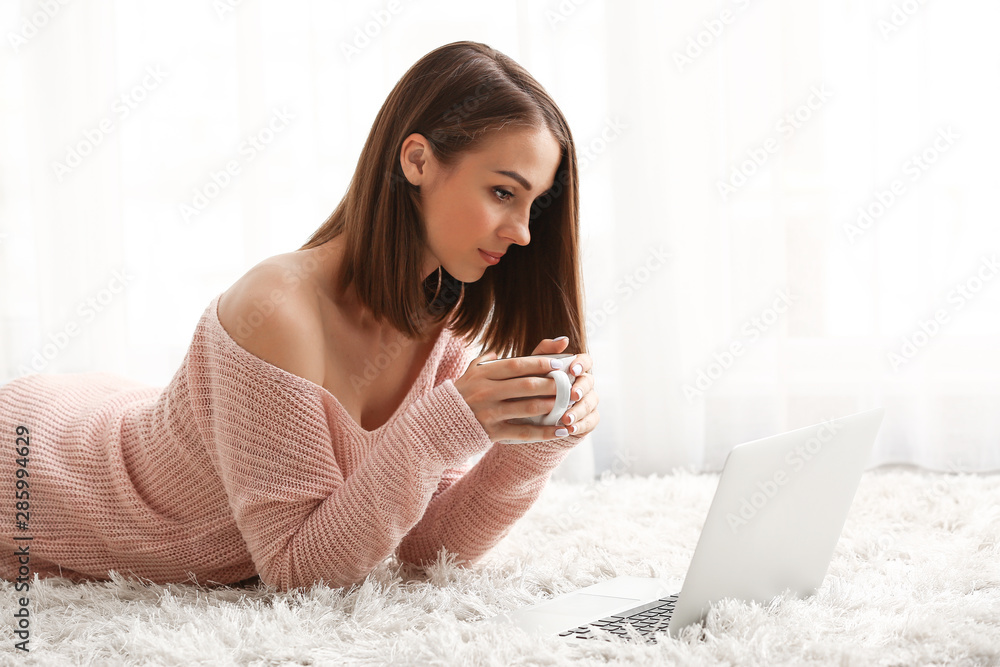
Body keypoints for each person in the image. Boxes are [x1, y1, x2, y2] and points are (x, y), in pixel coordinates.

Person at [0, 40, 599, 593]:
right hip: (39, 466)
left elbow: (420, 549)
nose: (521, 233)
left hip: (121, 418)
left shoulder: (442, 315)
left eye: (532, 206)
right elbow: (297, 574)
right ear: (417, 161)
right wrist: (442, 426)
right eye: (502, 192)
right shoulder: (278, 309)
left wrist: (534, 444)